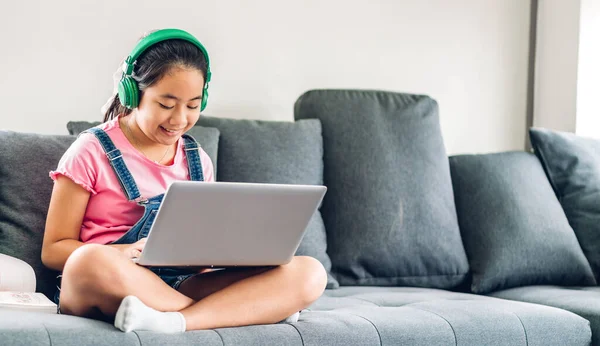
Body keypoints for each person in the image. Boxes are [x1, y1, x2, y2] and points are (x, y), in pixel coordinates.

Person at [41, 28, 327, 333]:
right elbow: (53, 249)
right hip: (109, 280)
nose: (179, 119)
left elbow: (200, 262)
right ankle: (245, 311)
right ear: (133, 93)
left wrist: (225, 255)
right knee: (90, 260)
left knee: (310, 272)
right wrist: (119, 253)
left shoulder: (197, 159)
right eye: (166, 104)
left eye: (192, 106)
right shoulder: (91, 150)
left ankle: (173, 320)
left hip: (179, 284)